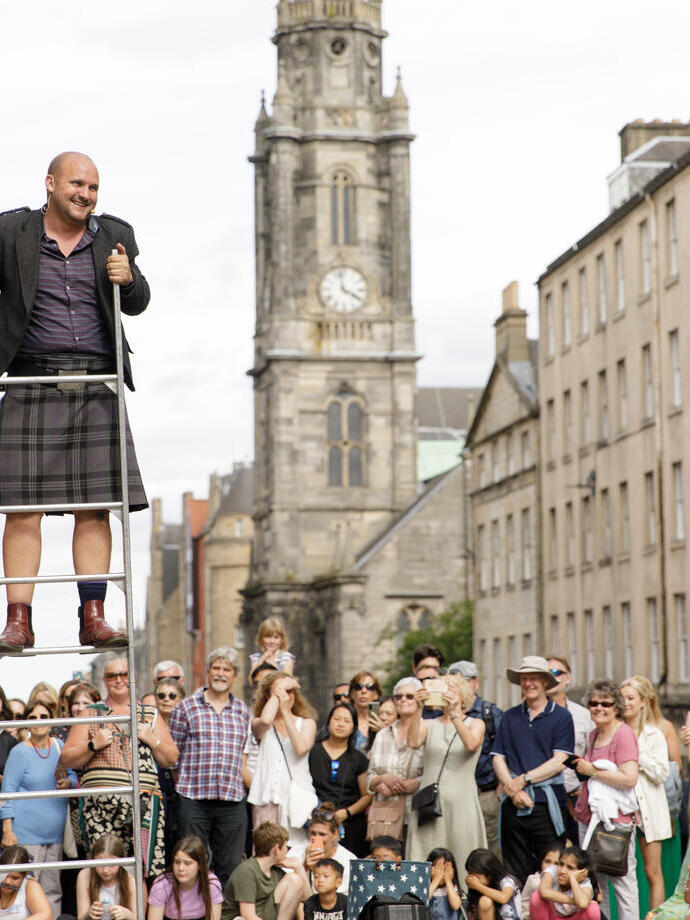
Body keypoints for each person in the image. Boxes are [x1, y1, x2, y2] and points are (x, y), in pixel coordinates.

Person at [0, 151, 149, 652]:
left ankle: (94, 615)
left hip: (95, 383)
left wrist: (127, 277)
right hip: (29, 382)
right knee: (22, 510)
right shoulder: (11, 234)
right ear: (50, 184)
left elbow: (138, 300)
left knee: (95, 509)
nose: (85, 194)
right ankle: (18, 621)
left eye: (93, 187)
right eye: (76, 184)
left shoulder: (113, 235)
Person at [61, 653, 178, 879]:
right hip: (100, 805)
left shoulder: (150, 713)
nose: (119, 679)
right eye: (112, 675)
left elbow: (171, 758)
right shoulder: (90, 713)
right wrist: (93, 745)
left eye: (123, 674)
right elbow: (68, 758)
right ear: (105, 679)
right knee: (103, 870)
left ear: (131, 677)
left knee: (141, 871)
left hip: (144, 802)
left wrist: (152, 739)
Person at [168, 646, 249, 887]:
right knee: (192, 864)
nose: (221, 673)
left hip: (232, 800)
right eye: (216, 668)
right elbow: (174, 755)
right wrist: (183, 785)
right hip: (194, 799)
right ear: (208, 672)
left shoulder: (243, 711)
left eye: (227, 669)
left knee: (231, 866)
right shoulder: (186, 707)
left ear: (235, 676)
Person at [491, 656, 574, 884]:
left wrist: (524, 780)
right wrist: (513, 790)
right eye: (524, 679)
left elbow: (560, 760)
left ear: (545, 682)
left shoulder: (562, 717)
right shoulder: (509, 716)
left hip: (546, 804)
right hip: (513, 803)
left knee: (552, 869)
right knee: (515, 870)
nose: (528, 683)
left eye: (534, 678)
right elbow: (498, 757)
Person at [0, 699, 77, 915]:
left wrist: (69, 783)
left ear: (52, 720)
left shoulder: (60, 747)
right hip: (26, 836)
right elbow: (7, 792)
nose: (38, 721)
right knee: (25, 890)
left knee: (53, 890)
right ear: (26, 722)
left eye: (44, 716)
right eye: (32, 717)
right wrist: (7, 830)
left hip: (55, 835)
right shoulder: (19, 752)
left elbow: (73, 776)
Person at [406, 673, 487, 881]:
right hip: (431, 803)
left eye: (452, 688)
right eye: (443, 687)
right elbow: (413, 742)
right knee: (425, 855)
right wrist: (418, 708)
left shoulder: (476, 723)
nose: (446, 692)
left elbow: (471, 744)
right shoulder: (429, 724)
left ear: (463, 695)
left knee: (464, 856)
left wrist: (455, 715)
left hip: (462, 803)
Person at [573, 679, 639, 920]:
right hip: (589, 820)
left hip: (615, 822)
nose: (599, 708)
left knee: (623, 883)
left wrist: (592, 771)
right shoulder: (592, 735)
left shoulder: (623, 734)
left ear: (617, 707)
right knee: (596, 884)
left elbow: (629, 778)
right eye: (593, 703)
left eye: (606, 703)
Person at [620, 676, 671, 909]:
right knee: (622, 875)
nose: (626, 703)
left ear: (642, 701)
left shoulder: (654, 734)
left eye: (631, 698)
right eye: (622, 698)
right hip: (622, 810)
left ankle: (654, 916)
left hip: (649, 810)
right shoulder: (614, 732)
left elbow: (662, 773)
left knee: (653, 872)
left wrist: (636, 755)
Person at [249, 673, 317, 846]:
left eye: (290, 691)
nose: (286, 696)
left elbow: (301, 748)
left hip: (296, 803)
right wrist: (278, 695)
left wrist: (286, 713)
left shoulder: (307, 723)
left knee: (297, 853)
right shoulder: (260, 724)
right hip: (267, 801)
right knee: (266, 854)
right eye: (280, 692)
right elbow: (265, 720)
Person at [448, 661, 503, 856]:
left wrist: (500, 788)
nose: (457, 687)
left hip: (485, 793)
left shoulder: (489, 713)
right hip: (454, 795)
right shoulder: (444, 713)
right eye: (452, 682)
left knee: (490, 851)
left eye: (462, 681)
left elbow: (504, 750)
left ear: (475, 683)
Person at [308, 704, 371, 857]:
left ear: (353, 728)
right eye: (336, 719)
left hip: (350, 825)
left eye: (346, 721)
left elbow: (367, 796)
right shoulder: (312, 752)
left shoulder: (359, 758)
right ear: (328, 722)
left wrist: (346, 813)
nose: (340, 724)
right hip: (317, 822)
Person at [366, 677, 423, 842]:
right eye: (399, 696)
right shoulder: (383, 734)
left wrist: (412, 784)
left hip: (418, 814)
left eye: (409, 696)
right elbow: (369, 777)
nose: (403, 699)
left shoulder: (429, 729)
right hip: (386, 817)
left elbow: (436, 774)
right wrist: (382, 780)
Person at [545, 656, 594, 845]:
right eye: (547, 673)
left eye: (557, 672)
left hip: (576, 795)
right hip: (545, 794)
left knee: (579, 856)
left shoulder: (584, 715)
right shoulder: (533, 714)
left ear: (568, 678)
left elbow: (590, 754)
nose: (552, 677)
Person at [223, 821, 311, 920]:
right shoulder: (247, 871)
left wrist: (299, 867)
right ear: (276, 849)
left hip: (263, 914)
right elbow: (248, 915)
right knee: (294, 879)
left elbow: (308, 901)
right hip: (241, 918)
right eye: (286, 847)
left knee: (295, 881)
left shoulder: (274, 870)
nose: (287, 851)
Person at [148, 835, 224, 920]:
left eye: (187, 863)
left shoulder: (211, 884)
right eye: (177, 862)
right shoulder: (162, 885)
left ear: (200, 865)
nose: (181, 868)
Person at [153, 678, 185, 864]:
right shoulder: (149, 726)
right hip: (157, 794)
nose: (166, 699)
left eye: (172, 695)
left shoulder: (185, 727)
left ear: (180, 699)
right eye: (161, 695)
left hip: (180, 795)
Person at [288, 806, 356, 896]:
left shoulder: (347, 859)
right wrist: (304, 868)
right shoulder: (298, 851)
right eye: (313, 833)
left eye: (322, 834)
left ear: (335, 834)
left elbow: (341, 898)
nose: (316, 838)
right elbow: (286, 887)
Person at [76, 833, 136, 920]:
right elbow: (81, 917)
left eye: (112, 865)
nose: (105, 870)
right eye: (100, 864)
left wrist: (127, 914)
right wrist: (89, 914)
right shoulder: (85, 875)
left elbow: (138, 917)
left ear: (122, 862)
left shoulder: (129, 878)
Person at [530, 846, 600, 920]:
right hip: (551, 917)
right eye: (561, 864)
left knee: (592, 908)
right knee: (537, 897)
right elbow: (544, 892)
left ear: (582, 872)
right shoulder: (552, 871)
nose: (562, 871)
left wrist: (573, 879)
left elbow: (582, 904)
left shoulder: (584, 883)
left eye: (570, 868)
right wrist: (573, 901)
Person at [465, 848, 521, 920]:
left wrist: (478, 886)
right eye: (469, 874)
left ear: (489, 874)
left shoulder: (507, 880)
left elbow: (504, 898)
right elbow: (473, 914)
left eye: (476, 876)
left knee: (485, 901)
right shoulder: (477, 888)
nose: (472, 879)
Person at [0, 845, 51, 920]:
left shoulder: (30, 885)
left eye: (15, 878)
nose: (7, 882)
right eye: (4, 875)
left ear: (25, 875)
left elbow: (46, 916)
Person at [520, 844, 562, 919]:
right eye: (547, 862)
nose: (551, 867)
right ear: (541, 862)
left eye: (556, 864)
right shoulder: (535, 880)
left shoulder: (563, 882)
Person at [249, 618, 295, 685]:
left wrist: (272, 663)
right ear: (261, 638)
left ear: (282, 639)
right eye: (268, 637)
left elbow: (287, 682)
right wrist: (262, 659)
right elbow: (251, 681)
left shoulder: (286, 657)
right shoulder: (256, 657)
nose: (272, 641)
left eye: (276, 637)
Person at [348, 672, 381, 752]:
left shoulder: (384, 719)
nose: (363, 691)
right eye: (358, 687)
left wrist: (383, 732)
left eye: (370, 687)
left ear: (376, 694)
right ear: (352, 694)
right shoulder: (344, 719)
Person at [428, 848, 462, 920]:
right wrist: (436, 879)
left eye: (445, 869)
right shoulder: (427, 888)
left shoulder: (452, 889)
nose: (441, 873)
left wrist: (448, 880)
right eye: (438, 869)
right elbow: (423, 900)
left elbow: (456, 905)